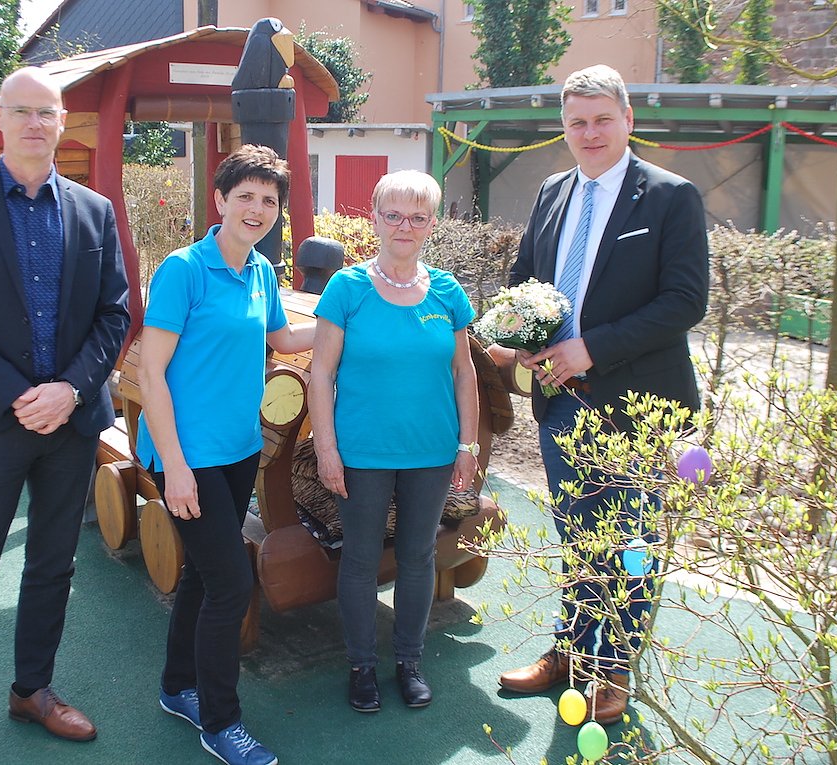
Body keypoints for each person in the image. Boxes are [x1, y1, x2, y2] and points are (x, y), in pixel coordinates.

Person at [0, 67, 131, 765]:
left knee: (51, 567)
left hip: (70, 423)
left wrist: (69, 390)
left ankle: (32, 690)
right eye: (22, 111)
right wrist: (19, 394)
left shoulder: (94, 211)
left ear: (63, 121)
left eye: (47, 111)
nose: (35, 123)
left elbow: (115, 314)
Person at [495, 64, 709, 724]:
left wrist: (591, 346)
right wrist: (518, 333)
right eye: (577, 122)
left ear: (628, 120)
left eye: (601, 120)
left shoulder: (671, 196)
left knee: (630, 542)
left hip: (639, 406)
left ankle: (612, 667)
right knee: (577, 534)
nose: (589, 133)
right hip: (562, 400)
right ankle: (570, 651)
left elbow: (685, 301)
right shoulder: (553, 191)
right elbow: (524, 276)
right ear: (564, 127)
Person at [138, 144, 313, 765]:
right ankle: (220, 721)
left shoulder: (260, 271)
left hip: (238, 452)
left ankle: (176, 686)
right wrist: (175, 468)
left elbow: (283, 338)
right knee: (232, 583)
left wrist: (351, 313)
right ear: (219, 200)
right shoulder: (183, 270)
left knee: (203, 573)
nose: (257, 209)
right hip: (186, 457)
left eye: (269, 200)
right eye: (245, 196)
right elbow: (151, 372)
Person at [309, 170, 480, 713]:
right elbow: (320, 373)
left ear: (432, 224)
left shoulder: (448, 292)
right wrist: (327, 449)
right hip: (362, 453)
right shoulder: (347, 288)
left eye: (418, 217)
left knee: (418, 555)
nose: (405, 226)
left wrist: (468, 446)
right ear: (375, 217)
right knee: (360, 559)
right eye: (394, 215)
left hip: (432, 452)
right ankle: (361, 665)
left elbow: (464, 373)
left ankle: (409, 660)